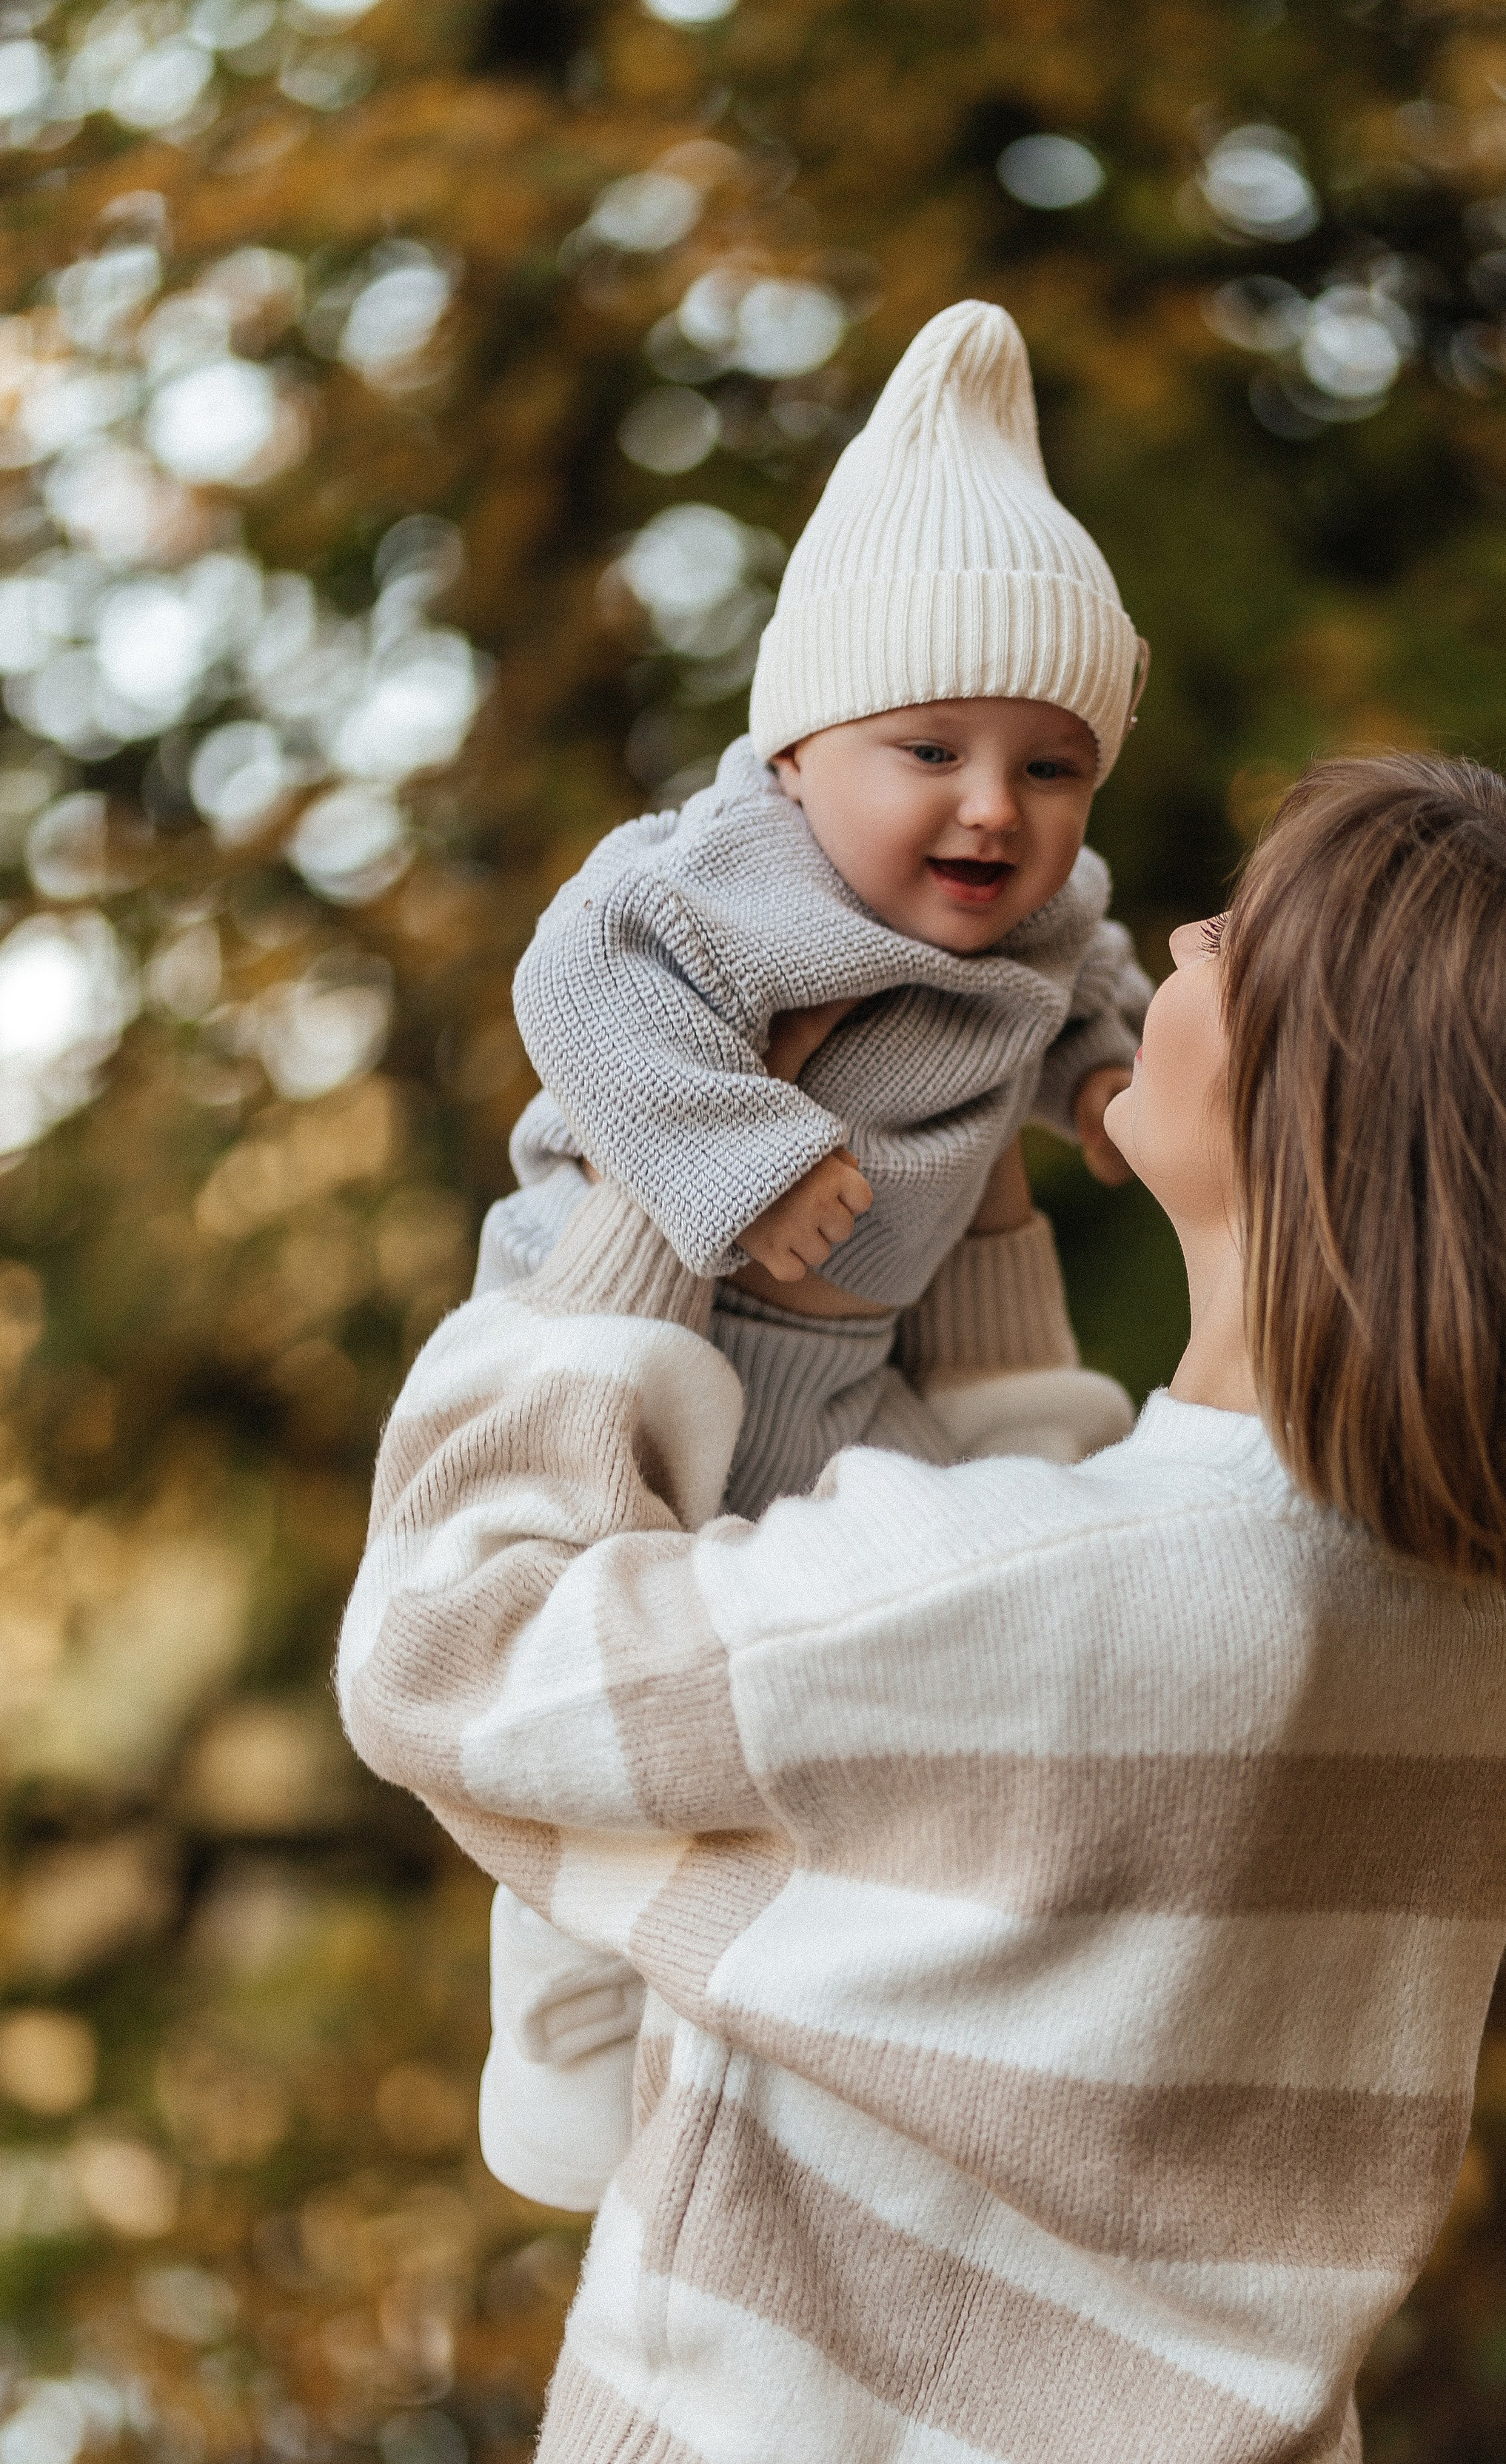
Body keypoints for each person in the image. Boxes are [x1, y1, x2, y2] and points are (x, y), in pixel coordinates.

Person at [337, 753, 1506, 2464]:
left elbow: (453, 1651)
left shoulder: (1050, 1609)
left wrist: (660, 1173)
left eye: (1237, 938)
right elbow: (1078, 1596)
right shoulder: (1503, 1622)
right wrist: (980, 1194)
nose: (1171, 936)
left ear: (1321, 1117)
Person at [476, 295, 1153, 2209]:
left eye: (1051, 767)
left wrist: (1100, 1082)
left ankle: (877, 2009)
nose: (990, 810)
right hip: (641, 1335)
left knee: (962, 1628)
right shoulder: (719, 886)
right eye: (927, 746)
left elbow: (1084, 974)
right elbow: (570, 987)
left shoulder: (1039, 909)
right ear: (795, 753)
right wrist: (734, 1153)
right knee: (585, 1700)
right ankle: (558, 2024)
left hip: (851, 1377)